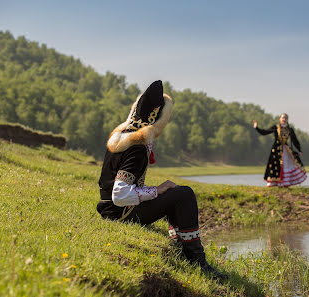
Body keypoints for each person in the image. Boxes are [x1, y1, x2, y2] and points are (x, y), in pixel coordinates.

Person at [96, 80, 227, 280]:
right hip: (122, 212)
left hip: (109, 210)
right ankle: (196, 260)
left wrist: (158, 191)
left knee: (175, 193)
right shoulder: (136, 146)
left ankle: (180, 246)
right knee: (184, 195)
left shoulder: (121, 135)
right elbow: (120, 195)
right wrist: (156, 190)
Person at [253, 113, 307, 187]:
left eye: (285, 118)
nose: (284, 119)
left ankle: (284, 182)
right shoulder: (275, 127)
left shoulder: (290, 129)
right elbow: (264, 132)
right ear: (280, 119)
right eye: (282, 118)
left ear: (287, 120)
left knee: (286, 164)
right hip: (276, 149)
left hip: (286, 149)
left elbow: (294, 140)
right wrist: (257, 127)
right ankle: (274, 182)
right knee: (275, 165)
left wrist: (299, 150)